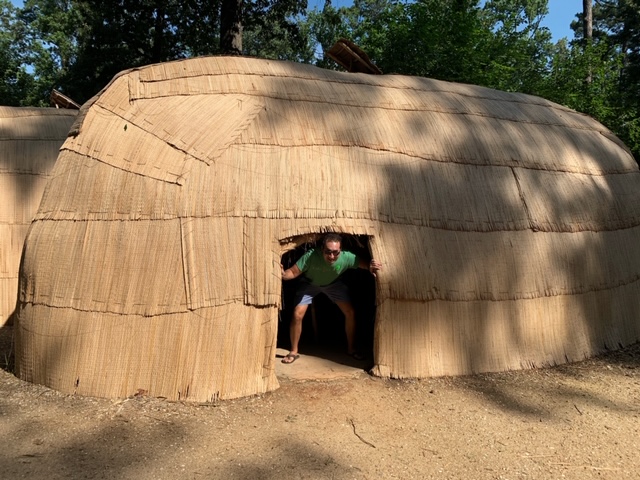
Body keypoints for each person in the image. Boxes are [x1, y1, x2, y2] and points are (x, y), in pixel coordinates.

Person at [280, 233, 382, 364]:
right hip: (310, 284)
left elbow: (364, 265)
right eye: (328, 252)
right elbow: (293, 272)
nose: (332, 256)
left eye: (335, 252)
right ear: (322, 249)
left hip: (333, 285)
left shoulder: (347, 257)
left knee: (350, 313)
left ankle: (351, 349)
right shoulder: (311, 256)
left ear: (340, 250)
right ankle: (294, 351)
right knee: (297, 314)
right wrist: (283, 274)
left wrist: (371, 266)